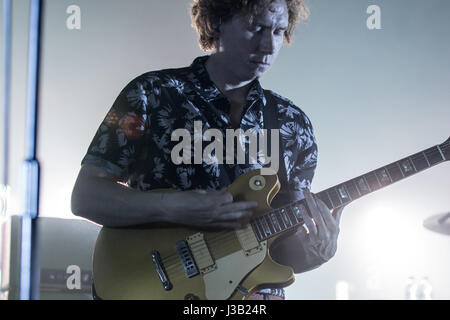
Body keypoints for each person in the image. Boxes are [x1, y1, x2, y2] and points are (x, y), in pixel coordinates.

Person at [71, 0, 345, 300]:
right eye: (257, 28)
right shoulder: (152, 93)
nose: (268, 45)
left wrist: (316, 253)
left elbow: (281, 251)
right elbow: (86, 197)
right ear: (216, 22)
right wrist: (172, 207)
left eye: (279, 31)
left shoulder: (293, 124)